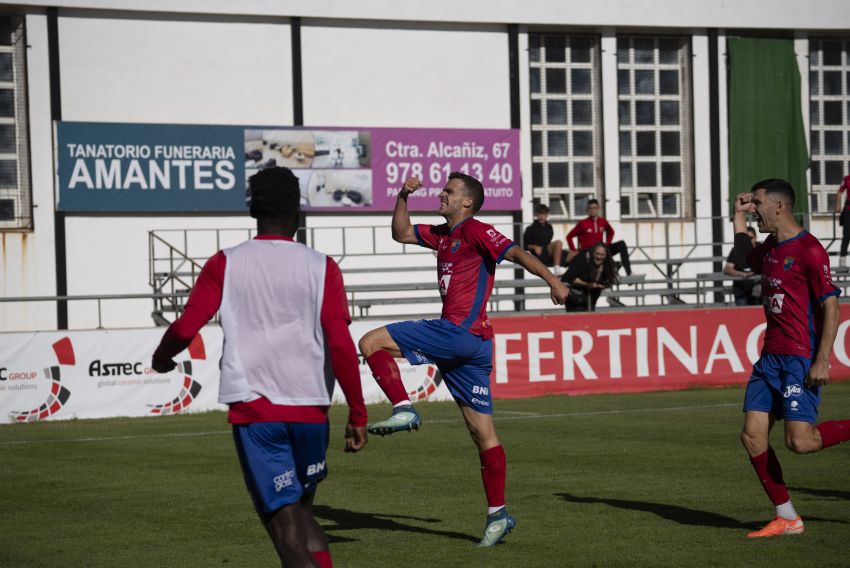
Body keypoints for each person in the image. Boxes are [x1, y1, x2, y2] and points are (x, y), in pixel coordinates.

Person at [151, 167, 367, 568]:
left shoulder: (226, 263)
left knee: (284, 529)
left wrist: (162, 357)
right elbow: (339, 342)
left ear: (252, 211)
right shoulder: (323, 266)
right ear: (298, 214)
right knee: (302, 516)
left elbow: (184, 327)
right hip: (311, 409)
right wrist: (357, 410)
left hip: (257, 412)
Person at [358, 173, 569, 547]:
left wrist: (552, 281)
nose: (442, 194)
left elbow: (518, 253)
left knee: (371, 342)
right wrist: (402, 196)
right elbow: (401, 233)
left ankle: (404, 407)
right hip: (475, 345)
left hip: (457, 333)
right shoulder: (443, 235)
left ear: (467, 202)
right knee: (482, 434)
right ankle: (498, 515)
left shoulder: (476, 231)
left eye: (450, 192)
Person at [733, 178, 850, 538]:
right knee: (752, 437)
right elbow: (741, 257)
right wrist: (737, 216)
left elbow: (831, 307)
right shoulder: (769, 245)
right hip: (769, 358)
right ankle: (787, 516)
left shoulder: (810, 250)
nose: (755, 210)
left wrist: (822, 359)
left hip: (799, 359)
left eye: (758, 204)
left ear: (779, 207)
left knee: (800, 442)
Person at [566, 199, 632, 275]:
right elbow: (569, 237)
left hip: (601, 249)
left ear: (598, 209)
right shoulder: (582, 223)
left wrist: (607, 243)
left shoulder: (603, 221)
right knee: (603, 257)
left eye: (595, 208)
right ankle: (614, 267)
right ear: (587, 210)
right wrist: (574, 251)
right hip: (589, 252)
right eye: (590, 208)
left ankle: (628, 272)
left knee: (621, 244)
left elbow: (611, 232)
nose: (593, 210)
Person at [561, 242, 619, 312]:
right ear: (592, 253)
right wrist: (587, 284)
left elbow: (610, 280)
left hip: (592, 299)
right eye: (597, 254)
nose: (599, 257)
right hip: (575, 298)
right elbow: (566, 277)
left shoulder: (607, 264)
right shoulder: (582, 259)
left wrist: (600, 285)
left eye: (602, 255)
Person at [523, 203, 565, 275]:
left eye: (544, 214)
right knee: (558, 243)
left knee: (561, 245)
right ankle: (557, 268)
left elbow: (547, 242)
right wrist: (534, 246)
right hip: (536, 255)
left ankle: (558, 268)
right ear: (536, 214)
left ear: (547, 215)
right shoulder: (530, 229)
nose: (542, 216)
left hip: (546, 252)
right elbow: (525, 245)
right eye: (540, 214)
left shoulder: (549, 227)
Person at [723, 226, 760, 306]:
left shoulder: (761, 248)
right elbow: (727, 269)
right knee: (744, 316)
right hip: (741, 290)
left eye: (751, 238)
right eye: (746, 238)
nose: (749, 240)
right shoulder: (736, 250)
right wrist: (744, 274)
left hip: (757, 290)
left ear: (756, 237)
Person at [833, 174, 850, 268]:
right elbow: (839, 192)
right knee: (847, 235)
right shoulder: (847, 179)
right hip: (848, 209)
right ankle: (843, 257)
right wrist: (837, 206)